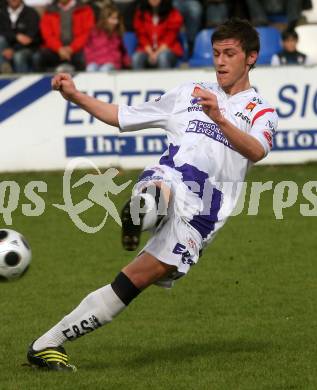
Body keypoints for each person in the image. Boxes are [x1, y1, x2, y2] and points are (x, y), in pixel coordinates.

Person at [26, 18, 278, 371]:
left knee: (132, 282)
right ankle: (141, 211)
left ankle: (46, 344)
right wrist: (76, 96)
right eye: (216, 53)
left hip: (201, 216)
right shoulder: (190, 92)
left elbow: (257, 151)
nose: (220, 61)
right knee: (160, 190)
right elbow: (122, 116)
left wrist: (220, 118)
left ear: (250, 58)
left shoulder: (261, 111)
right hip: (169, 180)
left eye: (230, 54)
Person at [33, 0, 95, 72]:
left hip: (78, 49)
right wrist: (59, 49)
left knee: (83, 58)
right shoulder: (49, 10)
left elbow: (86, 33)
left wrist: (71, 48)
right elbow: (47, 35)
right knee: (38, 58)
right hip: (55, 49)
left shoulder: (85, 9)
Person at [132, 0, 183, 69]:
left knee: (162, 57)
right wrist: (150, 52)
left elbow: (170, 37)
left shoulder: (173, 13)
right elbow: (141, 36)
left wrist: (157, 53)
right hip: (147, 50)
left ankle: (164, 79)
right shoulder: (140, 13)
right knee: (136, 58)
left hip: (168, 49)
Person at [84, 2, 130, 72]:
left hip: (111, 64)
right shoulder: (94, 32)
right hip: (95, 62)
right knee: (90, 68)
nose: (116, 22)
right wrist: (91, 60)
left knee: (105, 69)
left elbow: (123, 51)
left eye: (117, 19)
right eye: (113, 18)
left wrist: (127, 63)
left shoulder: (117, 34)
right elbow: (87, 49)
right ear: (105, 19)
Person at [0, 0, 40, 73]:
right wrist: (16, 36)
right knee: (1, 40)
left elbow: (30, 39)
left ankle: (23, 82)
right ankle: (4, 69)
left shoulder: (31, 13)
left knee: (18, 56)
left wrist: (13, 49)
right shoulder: (2, 13)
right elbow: (2, 31)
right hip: (6, 47)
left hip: (28, 48)